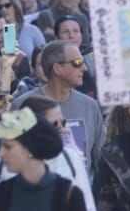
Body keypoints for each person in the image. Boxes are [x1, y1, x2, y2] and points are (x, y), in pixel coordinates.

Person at [16, 40, 105, 172]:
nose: (84, 68)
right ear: (57, 68)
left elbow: (100, 158)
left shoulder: (90, 106)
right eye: (77, 63)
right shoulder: (22, 106)